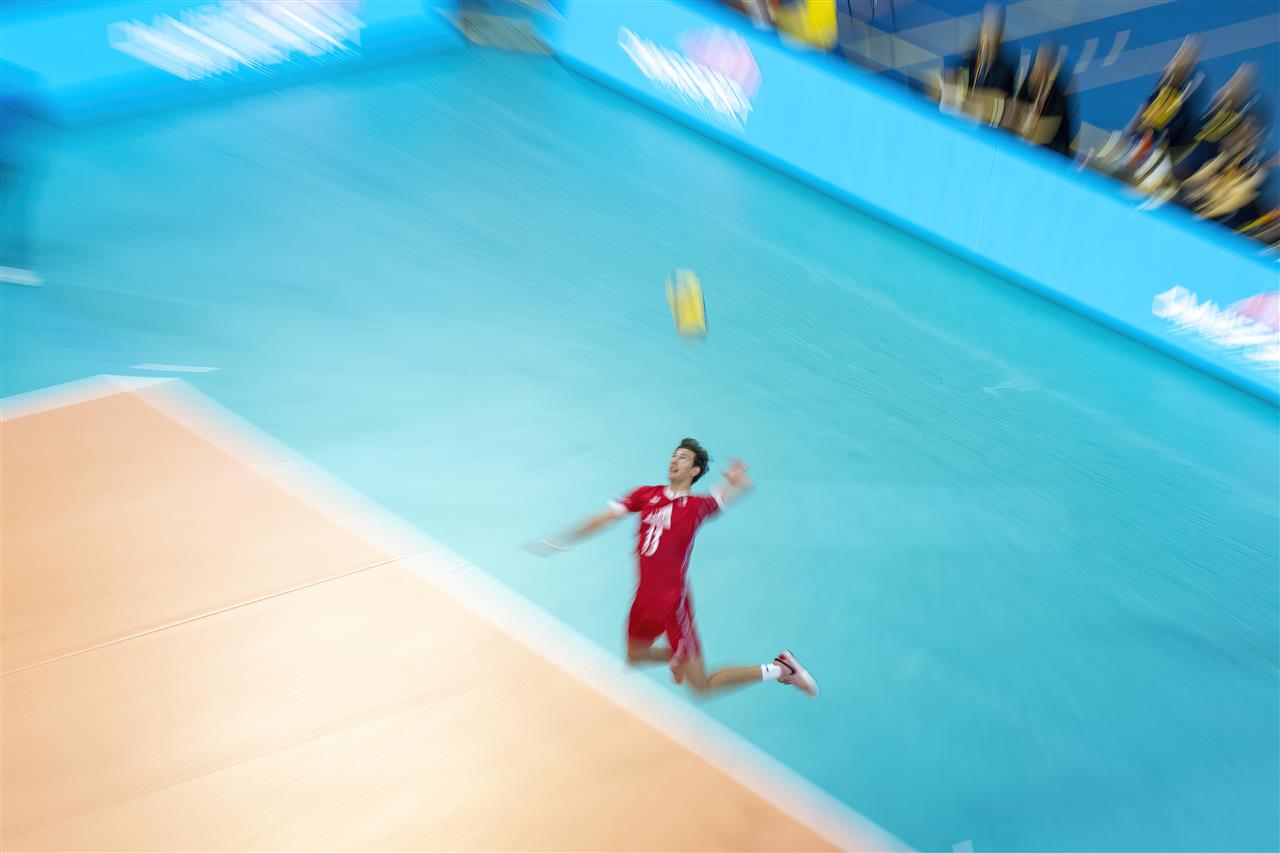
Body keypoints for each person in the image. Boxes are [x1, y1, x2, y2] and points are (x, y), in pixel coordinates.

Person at [530, 438, 819, 698]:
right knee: (635, 656)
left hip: (672, 604)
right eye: (673, 455)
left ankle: (781, 669)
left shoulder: (697, 506)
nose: (674, 461)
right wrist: (563, 540)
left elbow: (740, 488)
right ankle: (677, 656)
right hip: (644, 598)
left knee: (700, 686)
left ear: (694, 470)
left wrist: (737, 479)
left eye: (682, 458)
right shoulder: (645, 494)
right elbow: (605, 518)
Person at [1007, 40, 1073, 156]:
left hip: (1049, 155)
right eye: (1039, 60)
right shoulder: (1028, 84)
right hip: (1023, 148)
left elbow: (1044, 133)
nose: (1040, 66)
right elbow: (1014, 113)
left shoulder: (1059, 98)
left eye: (1046, 61)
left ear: (1051, 67)